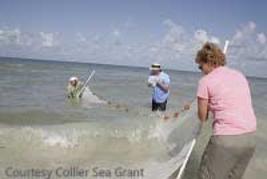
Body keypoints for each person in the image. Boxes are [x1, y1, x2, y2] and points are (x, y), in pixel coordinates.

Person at [195, 42, 257, 179]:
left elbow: (203, 117)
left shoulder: (205, 81)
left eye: (200, 66)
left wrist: (204, 105)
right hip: (250, 138)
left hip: (226, 140)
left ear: (207, 62)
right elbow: (234, 102)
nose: (201, 70)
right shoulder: (239, 75)